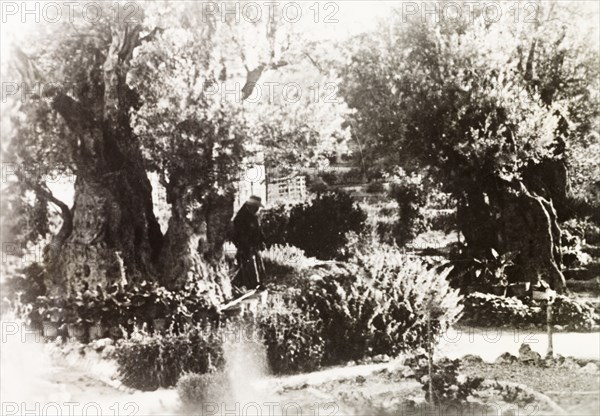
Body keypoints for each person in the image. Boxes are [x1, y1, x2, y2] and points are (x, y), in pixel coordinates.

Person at [231, 195, 266, 291]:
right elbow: (236, 234)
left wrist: (261, 241)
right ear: (251, 206)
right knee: (247, 266)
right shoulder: (241, 217)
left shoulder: (253, 216)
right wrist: (242, 245)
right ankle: (248, 285)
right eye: (256, 207)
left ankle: (257, 284)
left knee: (257, 266)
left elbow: (258, 230)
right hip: (245, 246)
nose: (257, 209)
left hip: (254, 246)